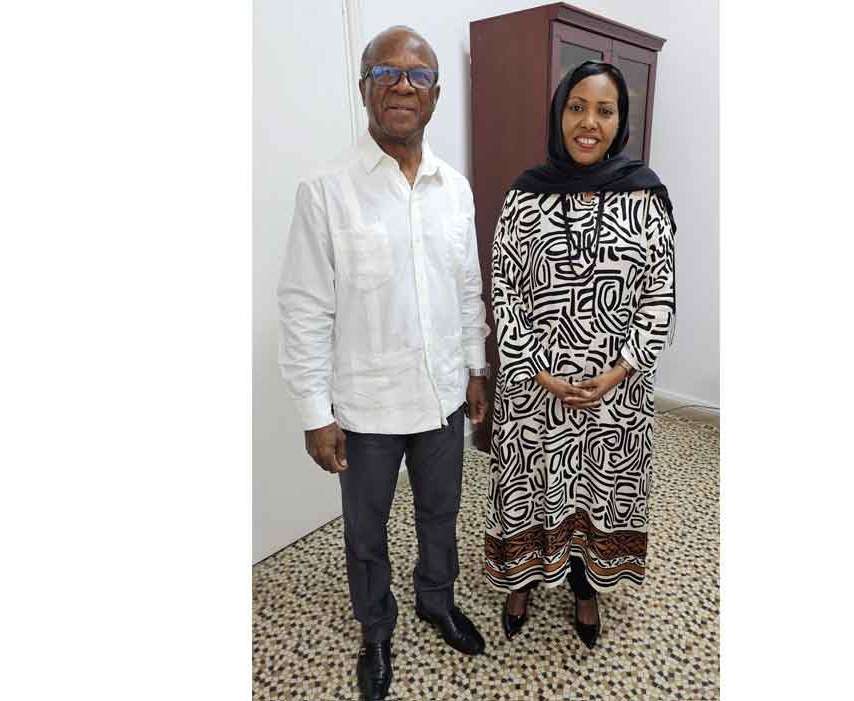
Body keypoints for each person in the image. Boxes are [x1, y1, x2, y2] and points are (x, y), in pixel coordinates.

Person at [278, 26, 491, 701]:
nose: (403, 84)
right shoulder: (326, 191)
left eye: (418, 74)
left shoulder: (455, 189)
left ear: (435, 94)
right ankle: (375, 627)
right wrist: (315, 413)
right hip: (366, 405)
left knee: (441, 512)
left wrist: (476, 367)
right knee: (366, 531)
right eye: (386, 71)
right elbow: (304, 308)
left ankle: (437, 599)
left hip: (441, 395)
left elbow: (467, 287)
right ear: (364, 85)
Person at [483, 60, 677, 649]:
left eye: (604, 111)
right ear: (559, 114)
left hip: (614, 398)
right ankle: (521, 579)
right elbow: (505, 289)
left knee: (597, 490)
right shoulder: (524, 195)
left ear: (620, 122)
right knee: (531, 486)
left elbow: (659, 295)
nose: (589, 122)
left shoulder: (645, 195)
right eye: (577, 107)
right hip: (534, 393)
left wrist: (618, 371)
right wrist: (537, 371)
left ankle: (585, 586)